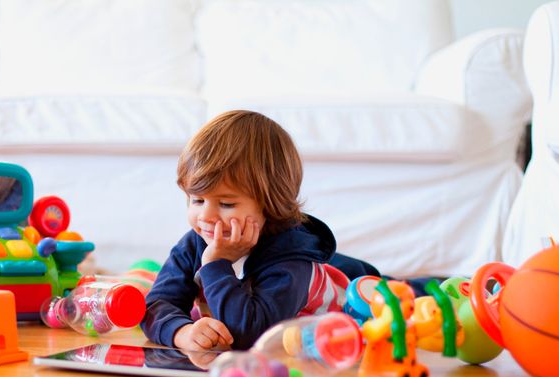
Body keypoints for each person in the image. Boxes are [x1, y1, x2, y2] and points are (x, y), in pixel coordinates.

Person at [141, 110, 380, 351]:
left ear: (270, 205)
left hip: (355, 303)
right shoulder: (196, 243)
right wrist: (182, 332)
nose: (205, 216)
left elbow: (250, 336)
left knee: (397, 294)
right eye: (197, 200)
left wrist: (216, 264)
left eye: (226, 204)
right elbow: (156, 304)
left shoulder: (291, 263)